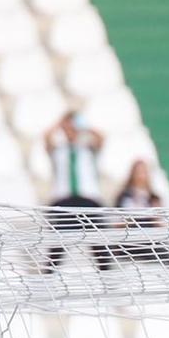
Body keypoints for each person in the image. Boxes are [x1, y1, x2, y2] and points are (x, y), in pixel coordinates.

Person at [43, 110, 106, 271]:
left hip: (88, 199)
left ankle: (107, 279)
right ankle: (47, 280)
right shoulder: (58, 150)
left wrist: (83, 126)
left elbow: (101, 138)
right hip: (64, 200)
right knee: (58, 244)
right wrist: (61, 123)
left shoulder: (87, 149)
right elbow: (47, 137)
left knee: (99, 244)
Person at [105, 160, 169, 267]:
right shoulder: (123, 197)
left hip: (150, 239)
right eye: (138, 172)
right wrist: (130, 218)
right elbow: (115, 223)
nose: (141, 176)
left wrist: (155, 215)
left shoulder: (154, 198)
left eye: (144, 172)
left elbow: (162, 225)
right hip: (129, 240)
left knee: (166, 256)